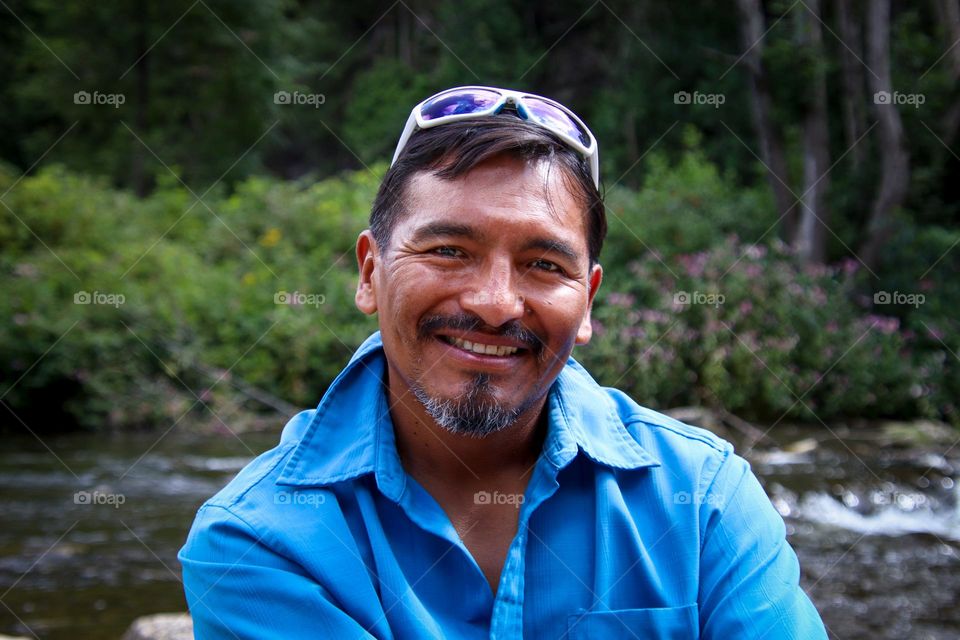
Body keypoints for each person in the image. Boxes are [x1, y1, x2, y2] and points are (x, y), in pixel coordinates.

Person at [179, 86, 827, 639]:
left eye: (544, 265)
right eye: (448, 250)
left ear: (589, 301)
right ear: (370, 273)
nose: (494, 304)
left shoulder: (703, 500)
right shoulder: (258, 543)